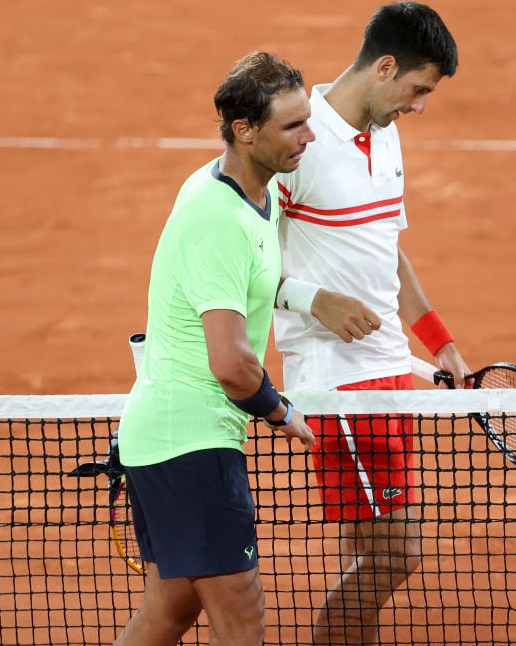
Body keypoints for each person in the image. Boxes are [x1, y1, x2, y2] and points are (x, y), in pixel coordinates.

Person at [273, 1, 470, 645]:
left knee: (365, 553)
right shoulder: (297, 141)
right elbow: (239, 265)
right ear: (384, 67)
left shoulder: (386, 134)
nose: (418, 106)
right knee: (396, 555)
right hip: (338, 384)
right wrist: (312, 300)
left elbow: (391, 250)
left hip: (390, 374)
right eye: (416, 89)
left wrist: (439, 343)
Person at [114, 51, 317, 646]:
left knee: (169, 611)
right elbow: (229, 364)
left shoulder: (258, 191)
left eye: (306, 120)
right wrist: (281, 414)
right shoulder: (216, 217)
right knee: (243, 619)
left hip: (173, 436)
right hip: (190, 441)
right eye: (292, 126)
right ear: (244, 130)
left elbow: (245, 281)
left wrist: (310, 299)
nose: (308, 137)